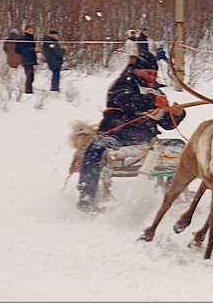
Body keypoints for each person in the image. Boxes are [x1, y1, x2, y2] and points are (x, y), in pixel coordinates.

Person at [76, 52, 186, 212]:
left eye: (155, 74)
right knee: (96, 148)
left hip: (148, 142)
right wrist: (151, 101)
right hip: (116, 138)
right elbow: (126, 100)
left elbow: (167, 125)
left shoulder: (156, 92)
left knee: (180, 147)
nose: (152, 78)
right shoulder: (122, 85)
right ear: (136, 70)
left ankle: (174, 196)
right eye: (148, 73)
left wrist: (176, 114)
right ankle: (86, 197)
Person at [14, 25, 39, 94]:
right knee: (29, 75)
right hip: (26, 59)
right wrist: (33, 49)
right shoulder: (23, 39)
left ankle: (28, 89)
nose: (31, 32)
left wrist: (37, 50)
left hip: (31, 59)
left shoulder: (31, 39)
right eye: (29, 30)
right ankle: (28, 91)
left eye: (32, 31)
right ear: (25, 31)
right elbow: (23, 50)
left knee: (31, 76)